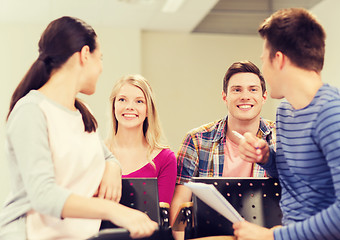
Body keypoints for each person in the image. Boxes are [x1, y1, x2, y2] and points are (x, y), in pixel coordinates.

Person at [0, 16, 157, 240]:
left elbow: (106, 155)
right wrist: (114, 210)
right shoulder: (31, 111)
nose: (101, 68)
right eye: (99, 58)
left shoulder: (83, 115)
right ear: (85, 55)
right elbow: (43, 195)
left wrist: (113, 166)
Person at [233, 8, 340, 240]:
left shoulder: (336, 112)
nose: (264, 72)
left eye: (264, 61)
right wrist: (266, 157)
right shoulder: (285, 112)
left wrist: (273, 237)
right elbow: (298, 179)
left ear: (278, 59)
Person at [170, 60, 276, 238]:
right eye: (236, 89)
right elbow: (180, 203)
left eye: (253, 89)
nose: (245, 96)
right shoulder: (196, 140)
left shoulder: (280, 138)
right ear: (224, 97)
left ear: (264, 97)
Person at [106, 74, 177, 205]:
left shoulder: (166, 159)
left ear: (148, 109)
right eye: (122, 100)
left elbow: (161, 217)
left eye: (139, 101)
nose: (129, 107)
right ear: (113, 106)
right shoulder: (96, 152)